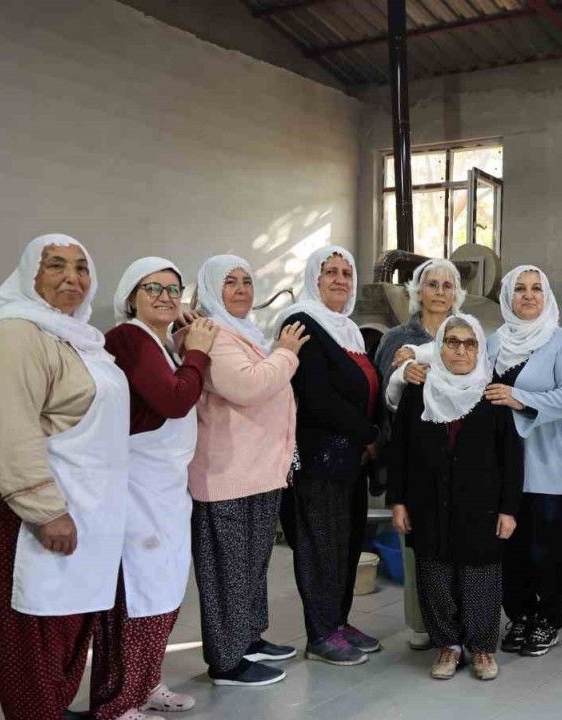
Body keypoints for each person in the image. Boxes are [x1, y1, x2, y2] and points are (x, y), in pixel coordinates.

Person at [0, 234, 130, 720]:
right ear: (30, 275)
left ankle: (52, 709)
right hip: (28, 507)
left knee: (67, 623)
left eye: (81, 268)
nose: (71, 278)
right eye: (55, 266)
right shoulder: (17, 333)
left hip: (82, 504)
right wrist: (44, 510)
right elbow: (10, 427)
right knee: (32, 633)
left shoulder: (79, 338)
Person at [91, 258, 216, 720]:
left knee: (163, 591)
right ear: (130, 297)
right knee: (137, 595)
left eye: (173, 289)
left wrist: (185, 346)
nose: (165, 297)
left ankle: (146, 684)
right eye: (153, 288)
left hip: (166, 488)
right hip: (138, 488)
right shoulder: (129, 338)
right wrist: (198, 353)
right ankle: (116, 703)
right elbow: (173, 399)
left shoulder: (161, 343)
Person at [188, 255, 309, 687]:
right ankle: (226, 662)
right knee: (229, 572)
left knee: (253, 565)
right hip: (226, 475)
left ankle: (248, 639)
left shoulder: (243, 332)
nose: (241, 289)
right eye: (230, 282)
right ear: (210, 288)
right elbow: (247, 386)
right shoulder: (211, 334)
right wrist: (286, 354)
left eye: (246, 281)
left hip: (258, 470)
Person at [388, 315, 523, 681]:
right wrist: (398, 501)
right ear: (440, 348)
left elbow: (511, 456)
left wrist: (509, 509)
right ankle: (447, 645)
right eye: (452, 342)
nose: (461, 350)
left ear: (479, 350)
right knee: (434, 573)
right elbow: (400, 450)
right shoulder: (419, 391)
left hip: (481, 505)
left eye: (470, 343)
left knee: (481, 575)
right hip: (428, 501)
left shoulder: (492, 395)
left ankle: (481, 647)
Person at [274, 246, 383, 666]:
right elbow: (316, 396)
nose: (340, 279)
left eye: (346, 273)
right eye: (330, 272)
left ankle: (338, 621)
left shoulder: (347, 330)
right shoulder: (302, 322)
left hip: (350, 459)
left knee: (347, 545)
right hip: (319, 458)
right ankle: (320, 634)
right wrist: (368, 435)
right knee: (320, 546)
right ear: (313, 279)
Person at [484, 266, 562, 657]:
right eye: (520, 289)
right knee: (512, 549)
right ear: (507, 297)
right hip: (503, 469)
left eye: (536, 289)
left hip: (548, 465)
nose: (528, 296)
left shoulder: (561, 342)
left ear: (547, 297)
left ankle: (547, 620)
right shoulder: (494, 342)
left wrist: (521, 399)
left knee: (547, 550)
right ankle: (520, 616)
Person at [375, 258, 466, 651]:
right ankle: (420, 621)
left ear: (457, 293)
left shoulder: (466, 333)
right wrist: (401, 375)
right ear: (417, 291)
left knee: (458, 543)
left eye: (448, 285)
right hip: (415, 457)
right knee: (418, 543)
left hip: (460, 456)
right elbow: (383, 393)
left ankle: (460, 620)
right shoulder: (397, 338)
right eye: (432, 284)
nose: (440, 292)